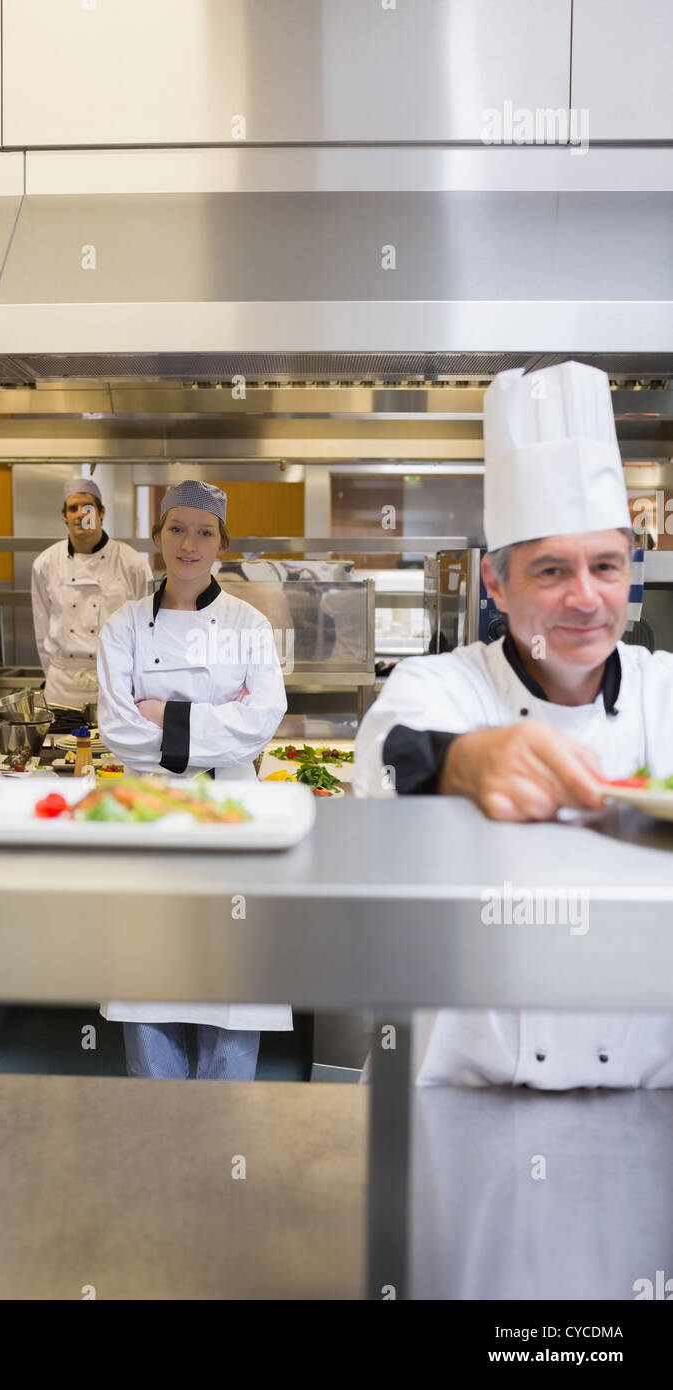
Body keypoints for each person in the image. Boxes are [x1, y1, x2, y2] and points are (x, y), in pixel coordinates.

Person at [355, 362, 673, 1089]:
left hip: (644, 1109)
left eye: (607, 566)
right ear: (495, 584)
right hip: (455, 1101)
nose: (587, 599)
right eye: (552, 571)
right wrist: (467, 763)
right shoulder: (443, 683)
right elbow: (386, 754)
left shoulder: (666, 693)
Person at [97, 480, 291, 1079]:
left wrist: (167, 714)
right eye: (177, 529)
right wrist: (213, 718)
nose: (189, 543)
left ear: (221, 545)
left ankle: (225, 1127)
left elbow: (261, 720)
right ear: (157, 537)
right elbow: (117, 727)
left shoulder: (249, 624)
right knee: (150, 970)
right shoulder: (123, 625)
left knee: (231, 974)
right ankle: (160, 1128)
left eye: (204, 532)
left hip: (231, 811)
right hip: (147, 811)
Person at [31, 476, 152, 711]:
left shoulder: (131, 563)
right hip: (62, 687)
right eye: (73, 508)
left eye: (87, 507)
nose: (80, 514)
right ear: (64, 515)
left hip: (115, 680)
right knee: (58, 747)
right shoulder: (45, 563)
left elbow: (146, 629)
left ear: (101, 512)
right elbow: (41, 628)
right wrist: (54, 670)